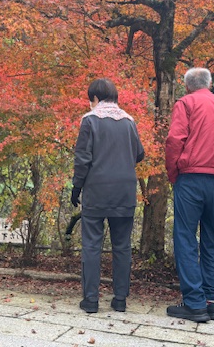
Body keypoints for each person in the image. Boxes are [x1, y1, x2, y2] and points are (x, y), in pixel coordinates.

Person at [71, 78, 145, 314]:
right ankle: (120, 299)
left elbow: (82, 159)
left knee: (92, 244)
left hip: (97, 189)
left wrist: (76, 187)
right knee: (122, 246)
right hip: (124, 191)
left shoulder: (90, 120)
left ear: (95, 98)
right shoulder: (129, 121)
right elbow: (140, 154)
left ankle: (91, 299)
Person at [165, 67, 214, 323]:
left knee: (185, 237)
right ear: (210, 84)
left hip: (192, 177)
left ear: (186, 86)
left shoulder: (186, 103)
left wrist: (173, 173)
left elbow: (175, 140)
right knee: (213, 240)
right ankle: (211, 302)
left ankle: (194, 302)